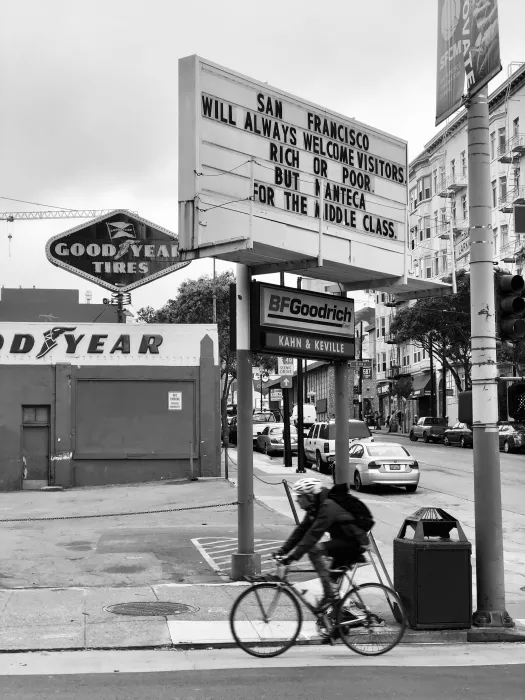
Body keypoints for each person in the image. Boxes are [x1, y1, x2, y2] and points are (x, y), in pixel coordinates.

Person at [274, 478, 371, 611]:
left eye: (299, 496)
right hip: (342, 542)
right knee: (331, 583)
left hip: (353, 544)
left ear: (309, 496)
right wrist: (283, 550)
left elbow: (313, 535)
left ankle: (329, 596)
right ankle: (338, 625)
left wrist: (292, 557)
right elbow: (301, 531)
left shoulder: (328, 506)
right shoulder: (314, 507)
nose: (296, 500)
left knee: (314, 550)